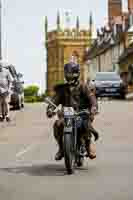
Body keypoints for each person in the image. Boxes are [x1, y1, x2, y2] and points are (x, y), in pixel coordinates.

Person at [46, 56, 99, 161]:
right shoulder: (62, 89)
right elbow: (55, 100)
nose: (70, 77)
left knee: (86, 124)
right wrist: (50, 109)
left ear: (77, 74)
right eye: (68, 74)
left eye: (72, 74)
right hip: (66, 115)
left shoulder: (84, 87)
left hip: (81, 114)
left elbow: (91, 98)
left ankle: (88, 147)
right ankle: (61, 148)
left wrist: (93, 107)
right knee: (57, 125)